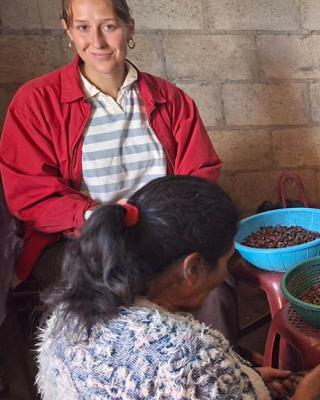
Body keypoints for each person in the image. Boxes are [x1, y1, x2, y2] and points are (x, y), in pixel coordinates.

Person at [0, 0, 234, 338]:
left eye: (109, 26)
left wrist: (165, 226)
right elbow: (30, 193)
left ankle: (214, 367)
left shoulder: (171, 100)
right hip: (80, 241)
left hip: (162, 236)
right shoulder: (36, 102)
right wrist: (93, 216)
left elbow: (198, 175)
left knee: (212, 289)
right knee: (113, 300)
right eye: (83, 28)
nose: (97, 41)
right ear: (68, 31)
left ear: (129, 28)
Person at [36, 176, 320, 399]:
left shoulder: (70, 313)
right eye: (226, 260)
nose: (225, 273)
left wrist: (243, 379)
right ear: (192, 269)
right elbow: (188, 377)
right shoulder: (190, 356)